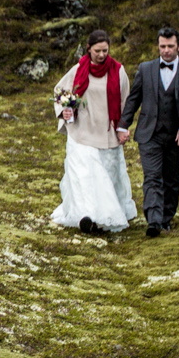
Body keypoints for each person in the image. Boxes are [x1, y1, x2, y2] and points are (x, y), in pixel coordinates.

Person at [117, 25, 179, 238]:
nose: (166, 50)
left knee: (172, 178)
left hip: (177, 136)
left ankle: (166, 218)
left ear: (178, 46)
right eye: (162, 46)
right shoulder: (145, 69)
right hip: (150, 134)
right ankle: (154, 221)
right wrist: (123, 124)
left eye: (170, 46)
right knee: (153, 176)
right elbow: (134, 99)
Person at [48, 30, 138, 234]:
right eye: (97, 51)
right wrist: (67, 109)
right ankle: (86, 216)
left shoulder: (118, 71)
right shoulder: (79, 69)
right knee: (85, 175)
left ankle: (106, 215)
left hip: (108, 133)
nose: (101, 54)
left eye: (105, 50)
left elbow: (126, 101)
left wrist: (123, 127)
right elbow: (61, 91)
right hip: (82, 132)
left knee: (108, 175)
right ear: (89, 49)